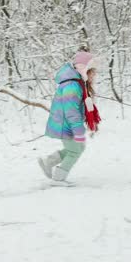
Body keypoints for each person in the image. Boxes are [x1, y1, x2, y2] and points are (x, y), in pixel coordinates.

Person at [38, 51, 101, 181]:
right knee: (75, 151)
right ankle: (59, 178)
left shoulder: (77, 84)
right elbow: (71, 110)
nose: (94, 75)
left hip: (65, 124)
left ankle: (48, 162)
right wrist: (78, 130)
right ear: (84, 70)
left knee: (78, 147)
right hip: (64, 125)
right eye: (92, 71)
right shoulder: (72, 85)